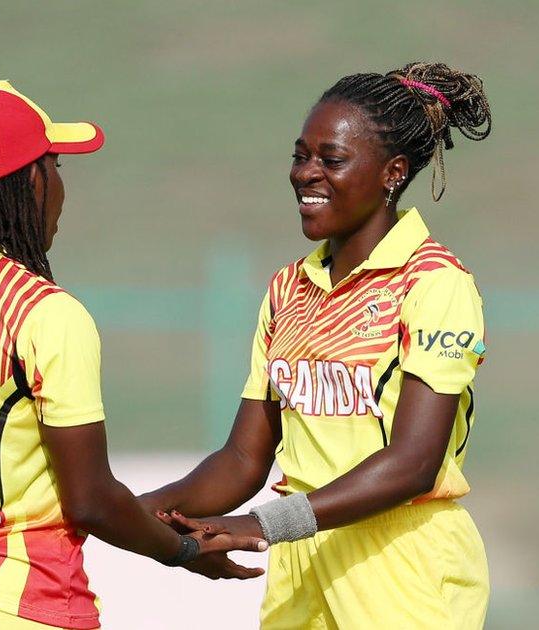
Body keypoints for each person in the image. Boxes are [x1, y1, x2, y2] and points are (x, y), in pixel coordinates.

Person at [0, 80, 267, 630]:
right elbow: (90, 500)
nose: (61, 185)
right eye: (56, 166)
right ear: (31, 178)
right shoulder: (43, 312)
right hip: (16, 605)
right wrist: (184, 552)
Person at [140, 62, 493, 629]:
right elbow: (242, 460)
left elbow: (414, 464)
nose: (306, 174)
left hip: (401, 561)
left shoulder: (432, 282)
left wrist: (261, 525)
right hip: (302, 561)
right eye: (300, 156)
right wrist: (134, 513)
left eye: (331, 160)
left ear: (392, 173)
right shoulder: (287, 288)